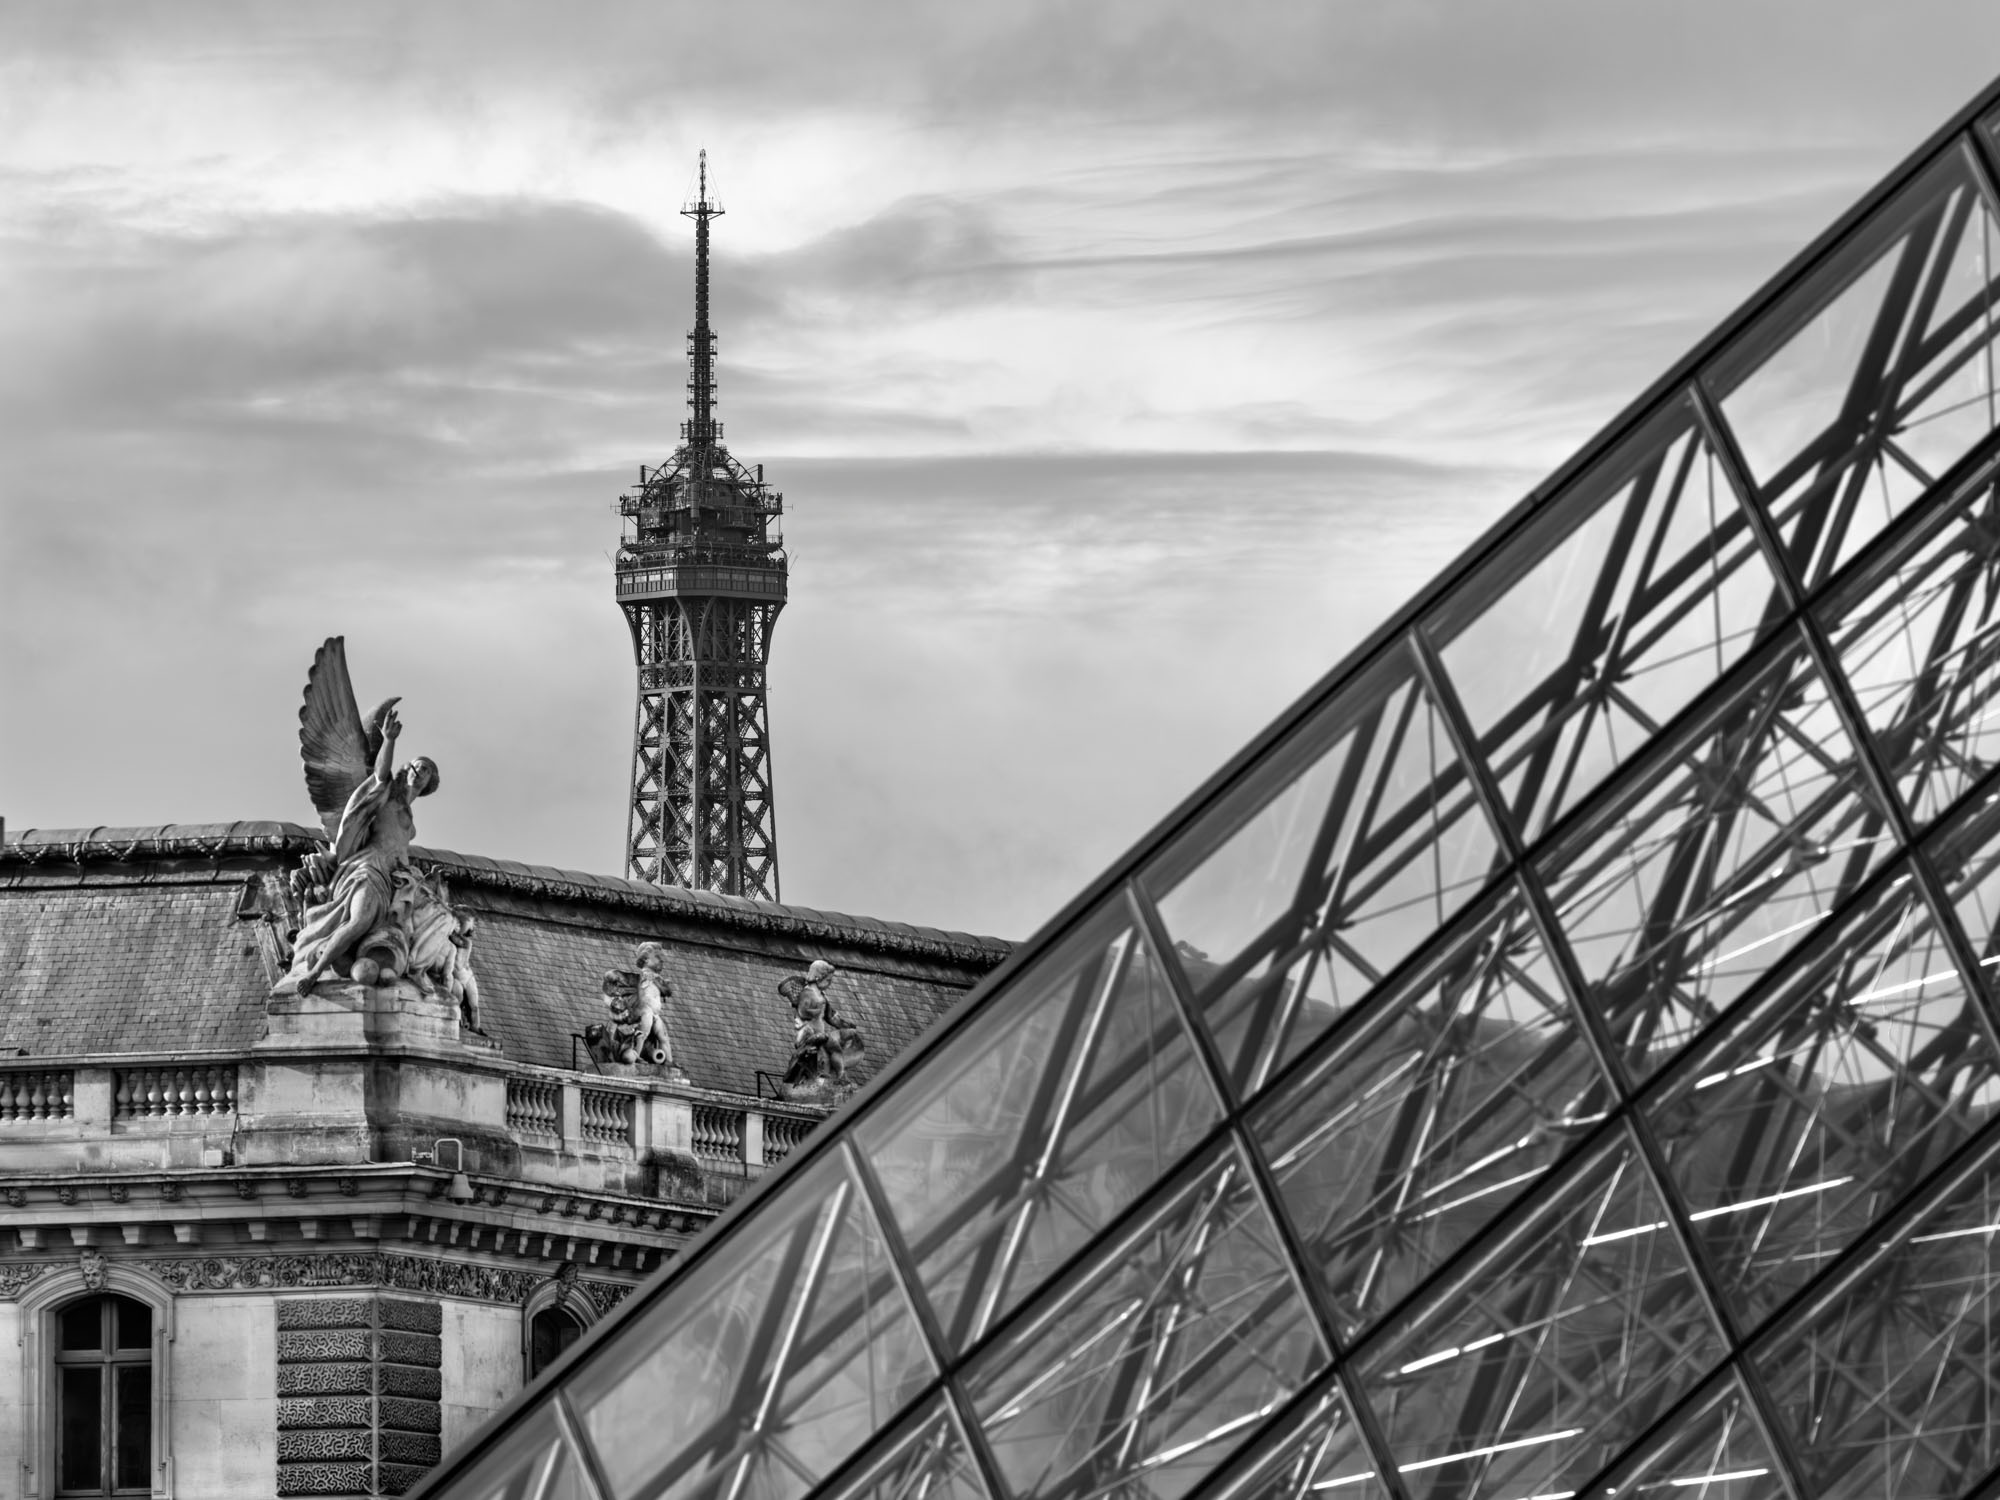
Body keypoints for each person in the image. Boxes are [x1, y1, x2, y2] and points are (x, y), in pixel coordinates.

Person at [291, 707, 440, 993]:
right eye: (418, 766)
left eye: (427, 770)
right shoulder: (385, 796)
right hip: (368, 868)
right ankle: (315, 973)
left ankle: (417, 971)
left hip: (393, 879)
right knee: (359, 920)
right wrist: (389, 740)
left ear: (429, 783)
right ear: (407, 769)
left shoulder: (410, 818)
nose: (421, 772)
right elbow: (381, 775)